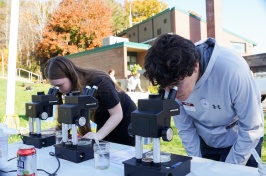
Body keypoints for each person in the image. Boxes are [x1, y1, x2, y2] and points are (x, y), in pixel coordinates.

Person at [143, 34, 264, 167]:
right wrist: (197, 163)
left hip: (241, 140)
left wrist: (230, 168)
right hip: (206, 140)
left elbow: (251, 127)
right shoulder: (172, 78)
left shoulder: (233, 71)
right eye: (166, 87)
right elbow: (185, 128)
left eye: (176, 84)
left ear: (195, 66)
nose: (172, 93)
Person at [44, 56, 137, 146]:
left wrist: (98, 135)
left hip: (124, 117)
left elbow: (117, 114)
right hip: (103, 119)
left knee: (120, 152)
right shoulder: (68, 89)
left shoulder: (100, 81)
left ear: (70, 75)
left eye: (60, 85)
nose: (59, 90)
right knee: (101, 148)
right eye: (55, 86)